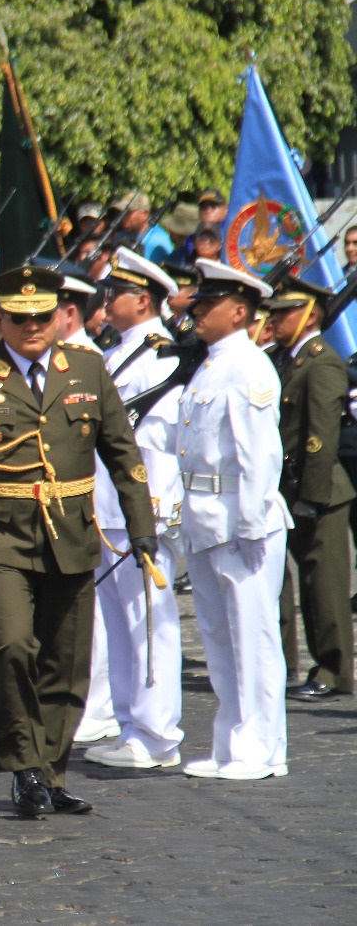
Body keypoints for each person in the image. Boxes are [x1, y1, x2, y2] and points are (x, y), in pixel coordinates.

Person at [0, 265, 157, 817]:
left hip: (72, 531)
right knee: (11, 648)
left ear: (60, 316)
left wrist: (142, 528)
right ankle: (23, 763)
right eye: (19, 317)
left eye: (41, 316)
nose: (32, 326)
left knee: (67, 660)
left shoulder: (86, 368)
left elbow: (123, 455)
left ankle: (50, 772)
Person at [173, 260, 291, 779]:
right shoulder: (212, 362)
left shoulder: (248, 365)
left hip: (240, 518)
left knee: (253, 637)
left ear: (239, 310)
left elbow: (259, 456)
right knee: (219, 636)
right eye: (196, 303)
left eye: (208, 304)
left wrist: (250, 524)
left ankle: (262, 749)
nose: (196, 311)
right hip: (204, 515)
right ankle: (230, 742)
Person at [80, 250, 187, 769]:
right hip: (108, 507)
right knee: (120, 624)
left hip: (139, 508)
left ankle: (157, 732)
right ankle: (130, 725)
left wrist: (157, 507)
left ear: (143, 299)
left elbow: (160, 441)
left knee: (149, 622)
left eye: (113, 294)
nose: (105, 302)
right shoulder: (121, 352)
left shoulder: (162, 358)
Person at [263, 278, 354, 699]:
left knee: (324, 586)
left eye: (285, 312)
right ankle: (305, 662)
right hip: (291, 487)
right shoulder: (285, 359)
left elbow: (319, 437)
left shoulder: (321, 362)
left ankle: (334, 670)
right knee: (303, 583)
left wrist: (312, 497)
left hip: (318, 491)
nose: (275, 319)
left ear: (310, 316)